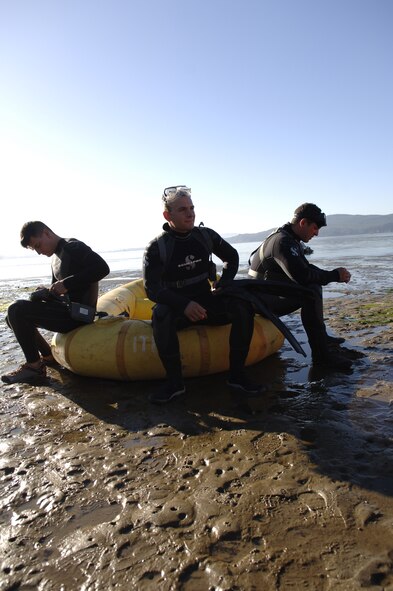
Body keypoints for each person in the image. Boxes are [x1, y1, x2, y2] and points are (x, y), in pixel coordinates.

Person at [143, 185, 261, 404]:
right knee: (161, 314)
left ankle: (237, 376)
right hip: (179, 309)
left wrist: (224, 283)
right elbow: (152, 289)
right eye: (182, 210)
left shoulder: (205, 236)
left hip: (207, 302)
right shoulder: (157, 247)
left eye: (192, 207)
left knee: (242, 305)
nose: (190, 214)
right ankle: (175, 384)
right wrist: (184, 304)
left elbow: (232, 257)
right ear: (168, 215)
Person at [1, 221, 110, 384]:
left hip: (80, 314)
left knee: (16, 309)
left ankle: (35, 367)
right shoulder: (55, 258)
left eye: (38, 245)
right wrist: (45, 293)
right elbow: (59, 293)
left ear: (46, 233)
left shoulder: (74, 247)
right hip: (65, 311)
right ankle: (48, 356)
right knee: (11, 317)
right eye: (35, 249)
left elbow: (102, 268)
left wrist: (66, 284)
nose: (38, 252)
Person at [248, 203, 353, 370]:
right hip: (260, 302)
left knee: (314, 286)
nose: (317, 233)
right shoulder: (282, 242)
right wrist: (334, 276)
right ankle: (321, 357)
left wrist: (332, 274)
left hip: (266, 294)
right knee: (310, 290)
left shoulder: (288, 238)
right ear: (303, 223)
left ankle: (322, 338)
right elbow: (303, 277)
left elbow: (306, 269)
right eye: (315, 227)